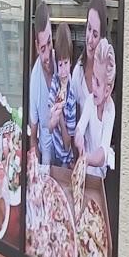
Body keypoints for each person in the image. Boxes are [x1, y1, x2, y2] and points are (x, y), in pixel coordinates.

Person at [75, 37, 117, 176]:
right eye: (93, 77)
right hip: (86, 172)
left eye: (98, 82)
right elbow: (80, 128)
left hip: (101, 175)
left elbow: (103, 152)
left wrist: (87, 158)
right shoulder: (90, 101)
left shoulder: (110, 111)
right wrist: (79, 137)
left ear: (107, 90)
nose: (93, 84)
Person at [28, 1, 59, 164]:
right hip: (46, 154)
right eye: (42, 48)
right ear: (36, 47)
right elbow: (33, 137)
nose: (47, 54)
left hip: (65, 150)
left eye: (49, 43)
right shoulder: (34, 80)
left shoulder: (62, 63)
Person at [71, 0, 108, 115]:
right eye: (89, 29)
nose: (90, 39)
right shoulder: (78, 73)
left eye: (95, 34)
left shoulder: (108, 73)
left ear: (102, 38)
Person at [49, 22, 79, 166]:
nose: (63, 71)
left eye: (66, 63)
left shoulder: (72, 93)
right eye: (59, 64)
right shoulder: (55, 82)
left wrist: (59, 114)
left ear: (71, 62)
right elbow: (48, 124)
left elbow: (68, 141)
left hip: (65, 158)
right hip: (53, 148)